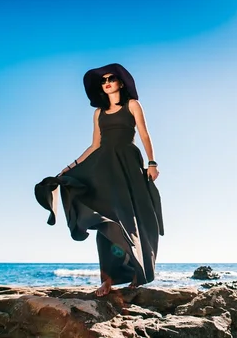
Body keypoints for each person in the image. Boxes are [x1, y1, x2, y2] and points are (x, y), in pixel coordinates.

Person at [34, 63, 164, 296]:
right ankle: (108, 280)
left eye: (111, 78)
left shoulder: (132, 105)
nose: (106, 83)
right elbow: (95, 145)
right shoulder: (98, 113)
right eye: (103, 80)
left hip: (128, 166)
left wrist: (152, 162)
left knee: (133, 217)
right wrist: (70, 167)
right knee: (106, 220)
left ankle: (137, 272)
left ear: (120, 82)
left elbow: (144, 133)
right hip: (104, 168)